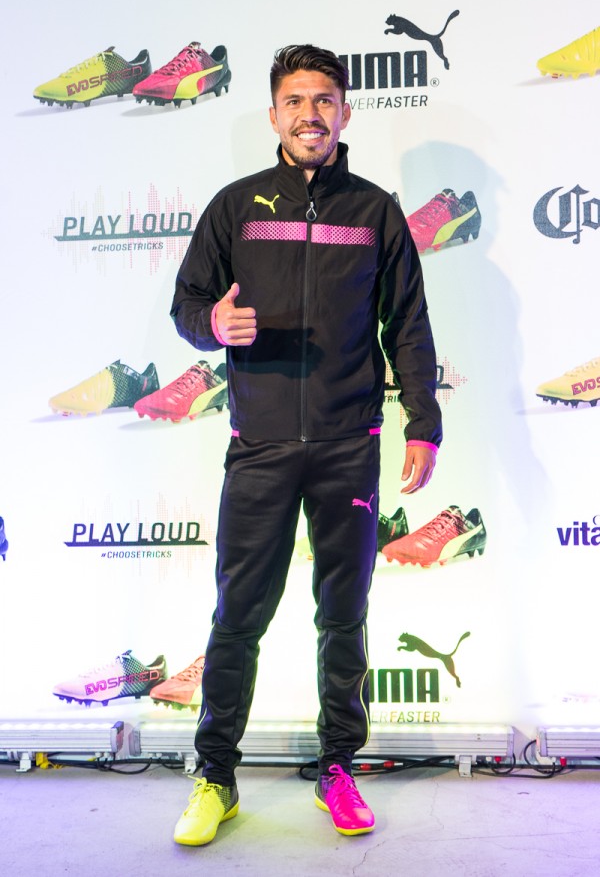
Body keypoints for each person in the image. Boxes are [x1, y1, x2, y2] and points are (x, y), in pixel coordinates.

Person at [169, 44, 442, 846]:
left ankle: (338, 769)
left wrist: (422, 421)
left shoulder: (376, 212)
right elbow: (187, 304)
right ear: (274, 115)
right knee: (238, 617)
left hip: (347, 443)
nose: (310, 114)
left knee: (343, 615)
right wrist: (213, 324)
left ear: (345, 113)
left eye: (324, 99)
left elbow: (408, 325)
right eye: (295, 100)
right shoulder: (235, 207)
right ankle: (216, 778)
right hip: (259, 445)